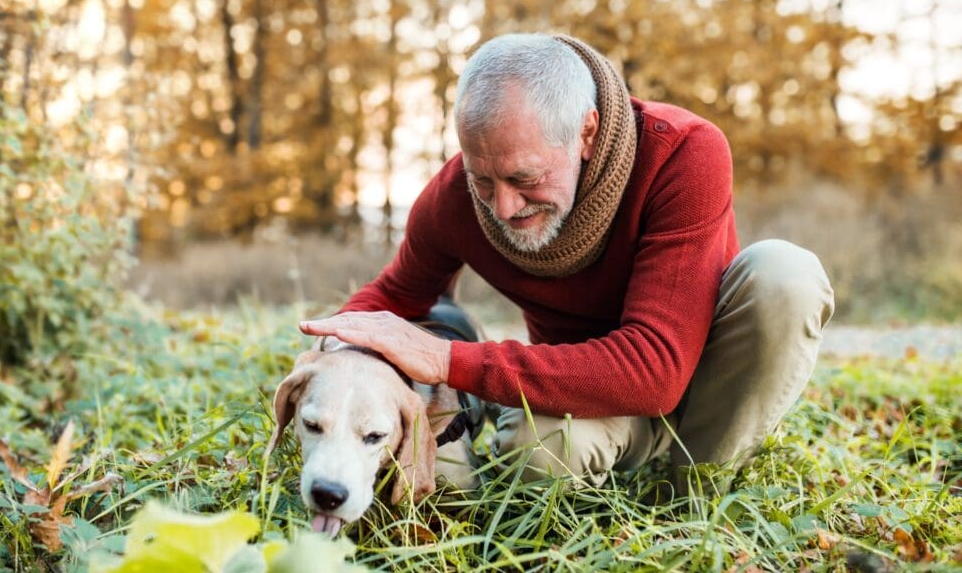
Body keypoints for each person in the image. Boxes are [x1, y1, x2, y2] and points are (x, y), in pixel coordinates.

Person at [300, 33, 834, 494]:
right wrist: (335, 354)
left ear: (586, 132)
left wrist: (447, 360)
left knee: (784, 276)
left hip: (707, 388)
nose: (503, 206)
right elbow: (394, 296)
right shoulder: (455, 196)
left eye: (524, 178)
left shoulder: (684, 153)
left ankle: (697, 489)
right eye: (482, 180)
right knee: (538, 449)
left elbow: (657, 370)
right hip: (588, 400)